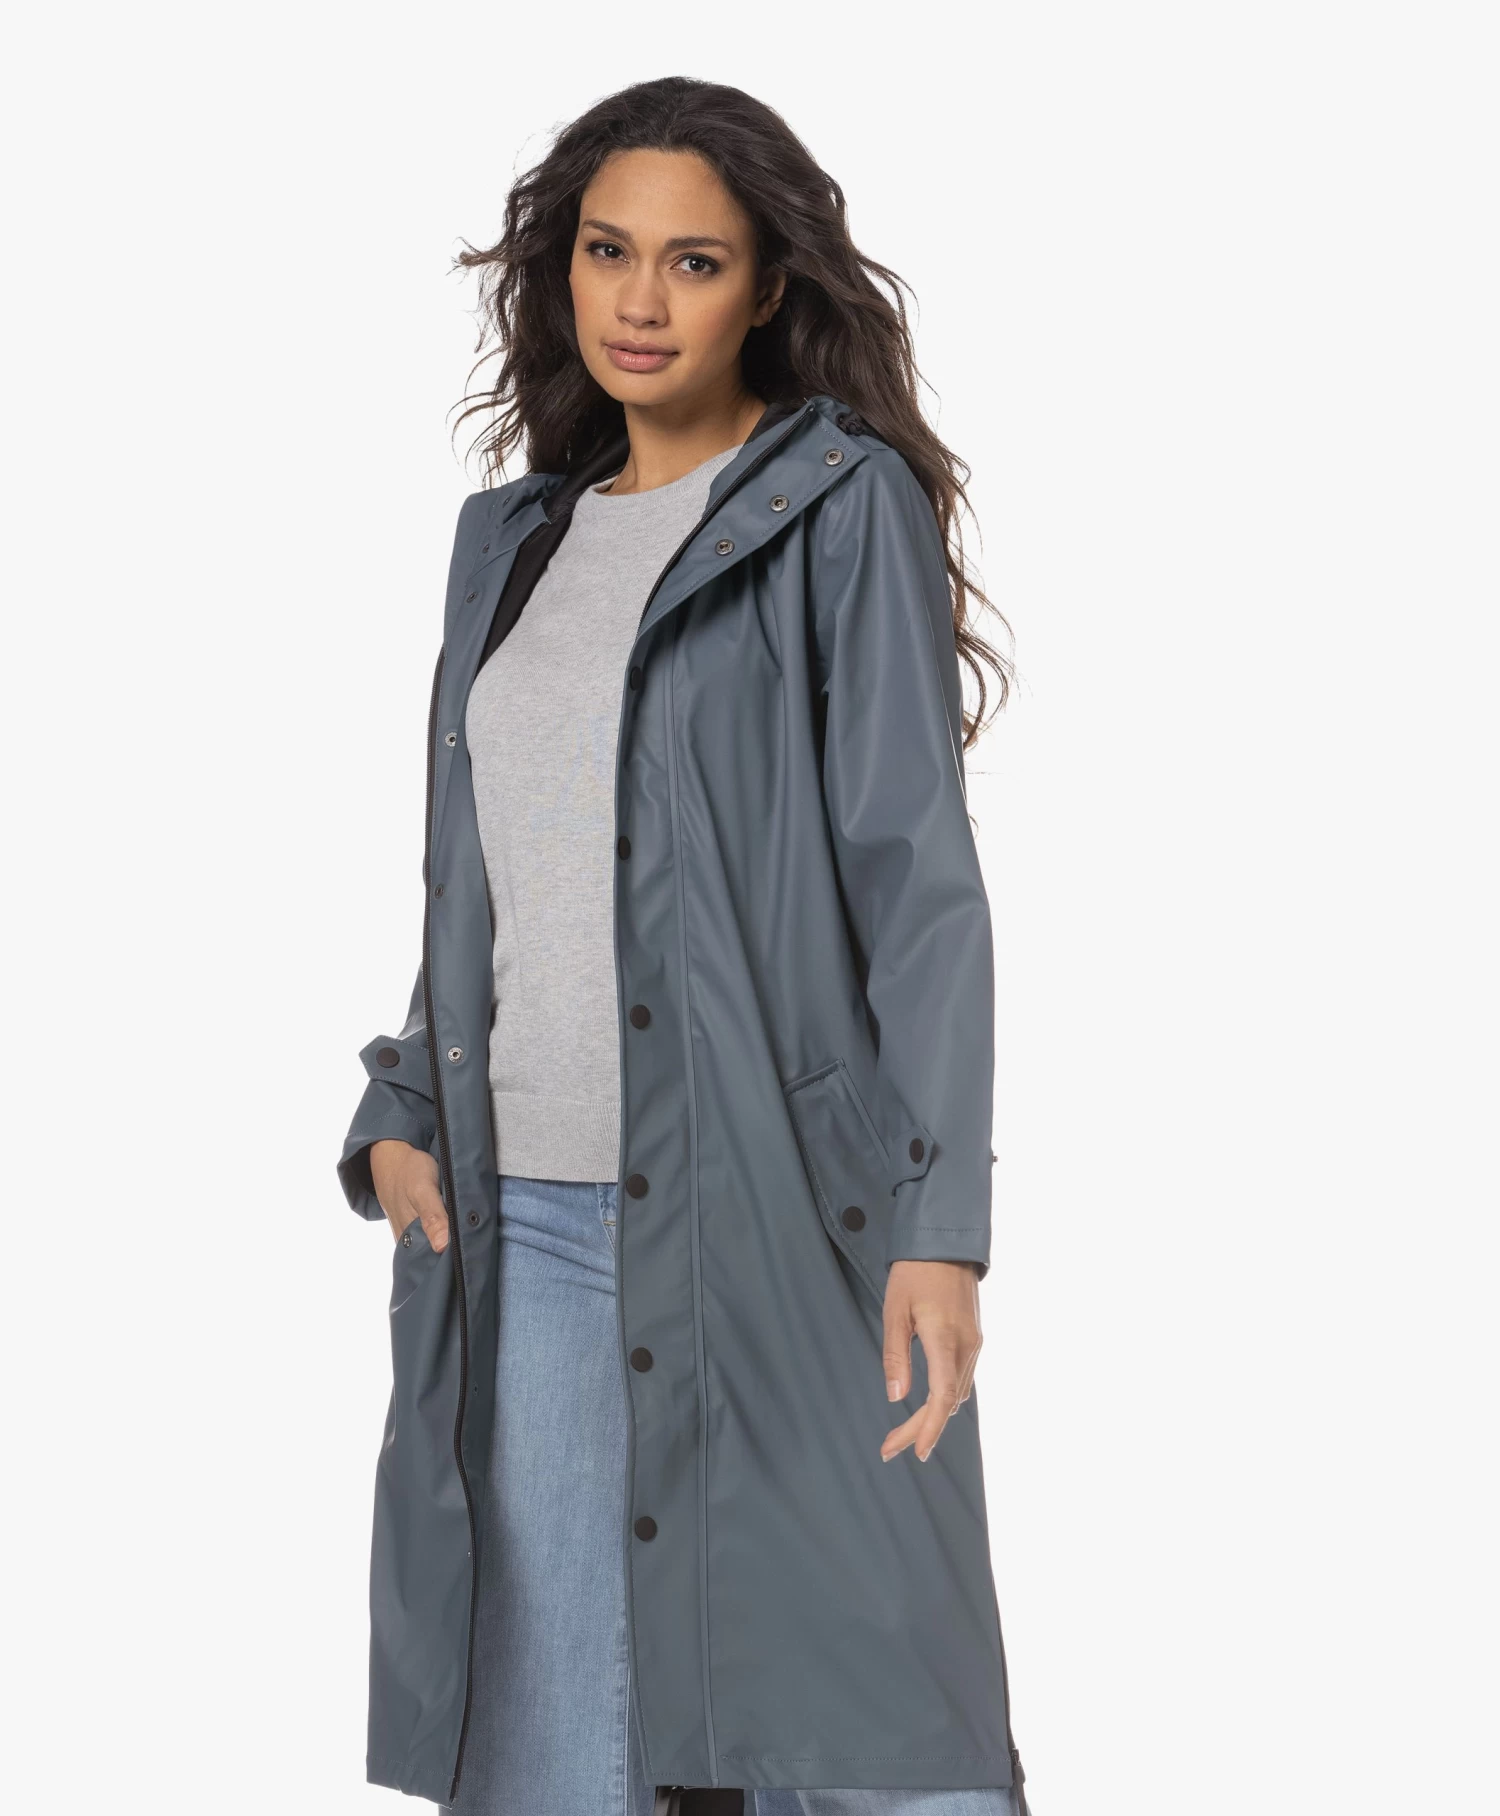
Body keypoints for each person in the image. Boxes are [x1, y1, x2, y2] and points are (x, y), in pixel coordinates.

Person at [337, 75, 1030, 1816]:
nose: (641, 301)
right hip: (524, 1225)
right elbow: (482, 873)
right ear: (561, 269)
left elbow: (917, 882)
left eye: (694, 263)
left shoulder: (836, 503)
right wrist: (402, 1102)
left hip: (779, 1210)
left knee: (874, 1726)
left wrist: (939, 1225)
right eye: (608, 252)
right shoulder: (511, 541)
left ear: (766, 289)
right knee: (552, 1748)